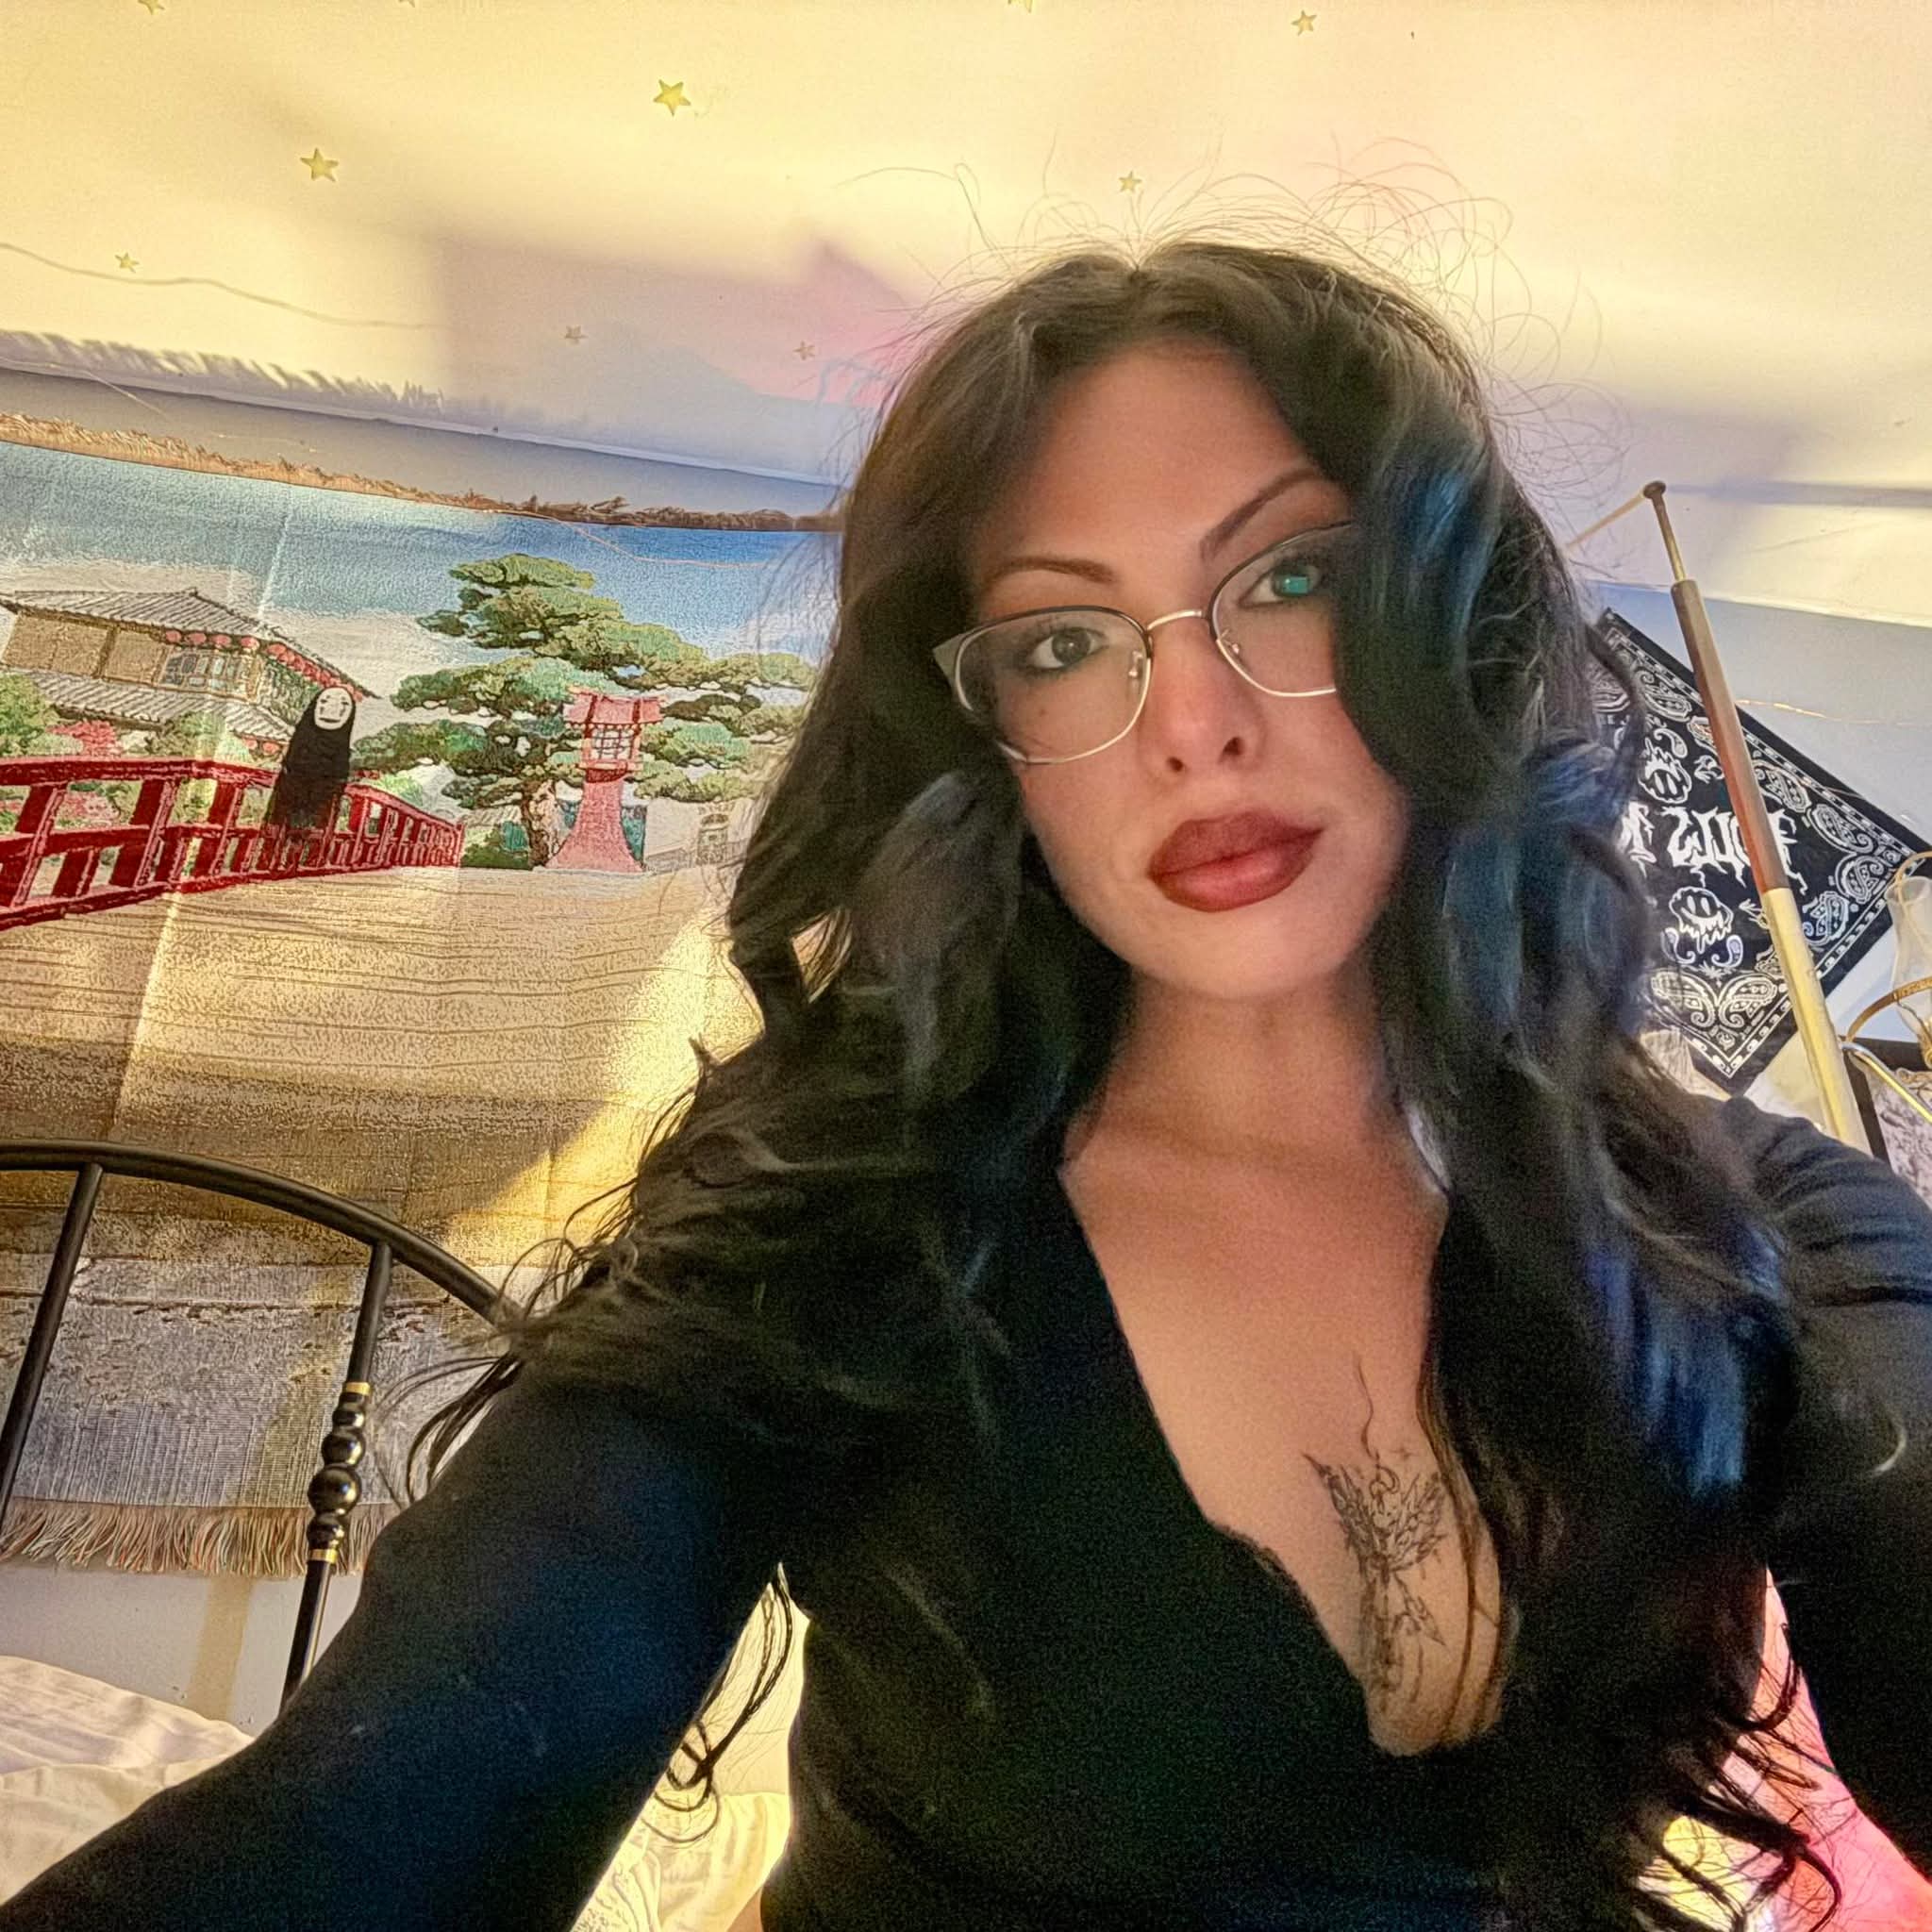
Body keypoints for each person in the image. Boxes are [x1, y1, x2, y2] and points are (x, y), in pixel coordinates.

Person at [4, 240, 1928, 1932]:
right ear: (989, 735)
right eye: (1066, 638)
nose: (1191, 722)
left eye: (1288, 577)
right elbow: (411, 1790)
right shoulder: (846, 1218)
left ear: (1450, 618)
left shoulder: (1765, 1227)